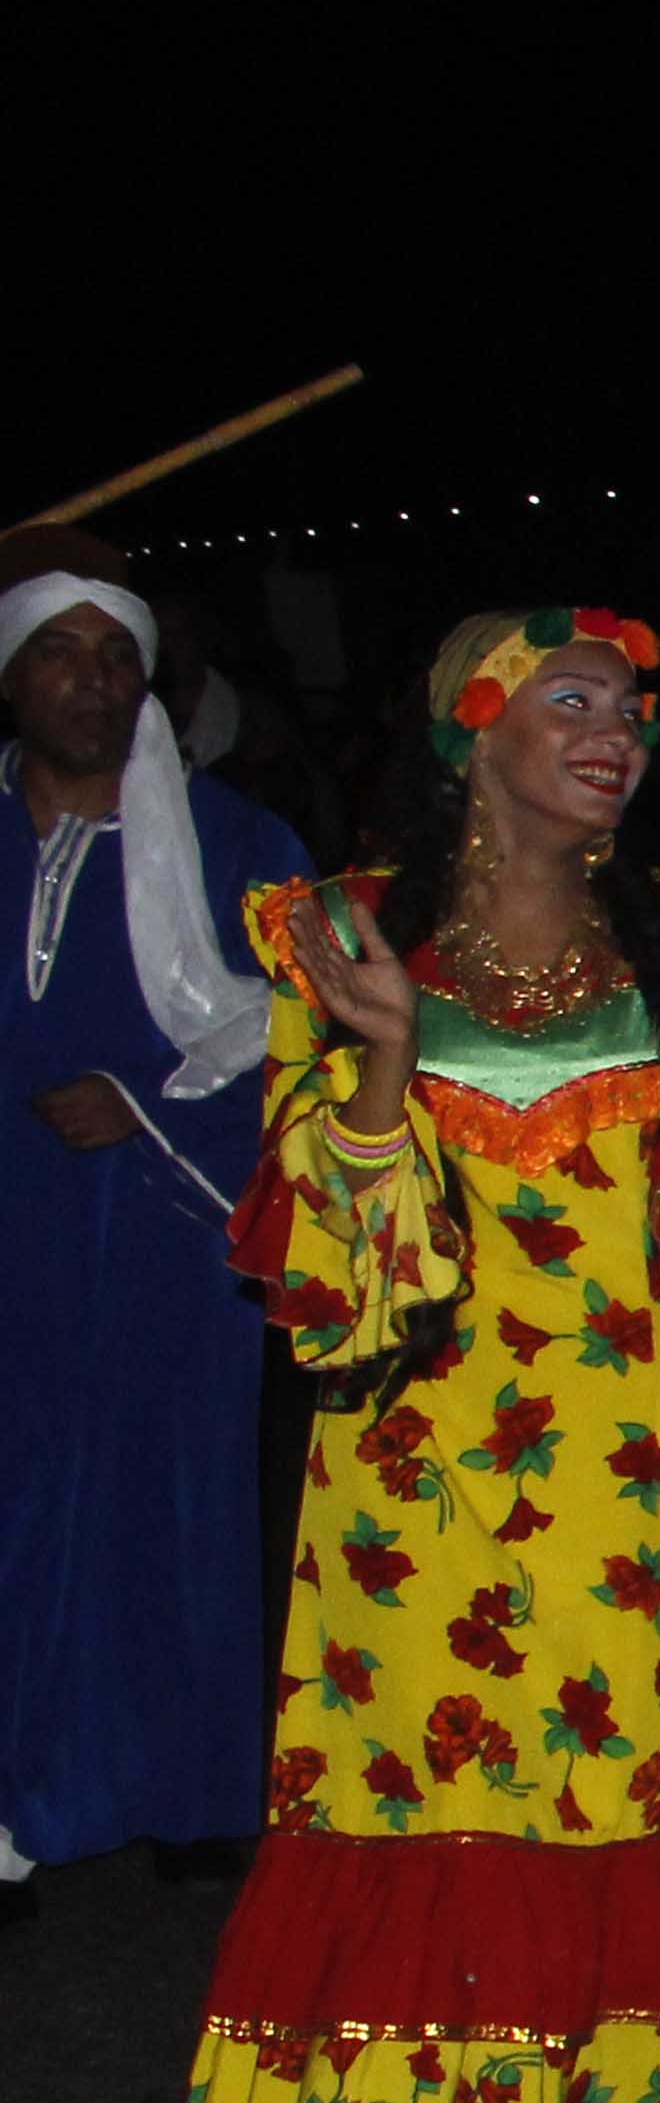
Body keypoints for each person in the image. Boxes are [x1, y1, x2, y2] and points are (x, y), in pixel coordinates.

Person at [163, 607, 660, 2103]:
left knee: (634, 1787)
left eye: (628, 701)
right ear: (474, 732)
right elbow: (329, 1281)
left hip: (644, 1476)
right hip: (423, 1489)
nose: (614, 726)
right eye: (569, 698)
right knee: (471, 1814)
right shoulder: (346, 935)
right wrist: (382, 1059)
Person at [0, 537, 302, 1905]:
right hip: (20, 1238)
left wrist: (150, 1109)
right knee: (23, 1510)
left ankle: (189, 1784)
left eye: (118, 655)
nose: (94, 680)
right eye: (61, 651)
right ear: (11, 675)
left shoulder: (235, 840)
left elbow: (320, 1026)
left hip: (176, 1232)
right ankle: (26, 1792)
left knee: (174, 1509)